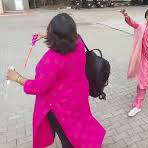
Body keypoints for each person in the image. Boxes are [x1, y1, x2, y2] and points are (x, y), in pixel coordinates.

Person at [6, 13, 106, 148]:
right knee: (82, 126)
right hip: (78, 97)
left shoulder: (52, 59)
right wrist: (48, 36)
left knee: (69, 137)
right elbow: (69, 37)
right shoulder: (78, 44)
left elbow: (39, 87)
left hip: (61, 106)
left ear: (52, 34)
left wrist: (17, 77)